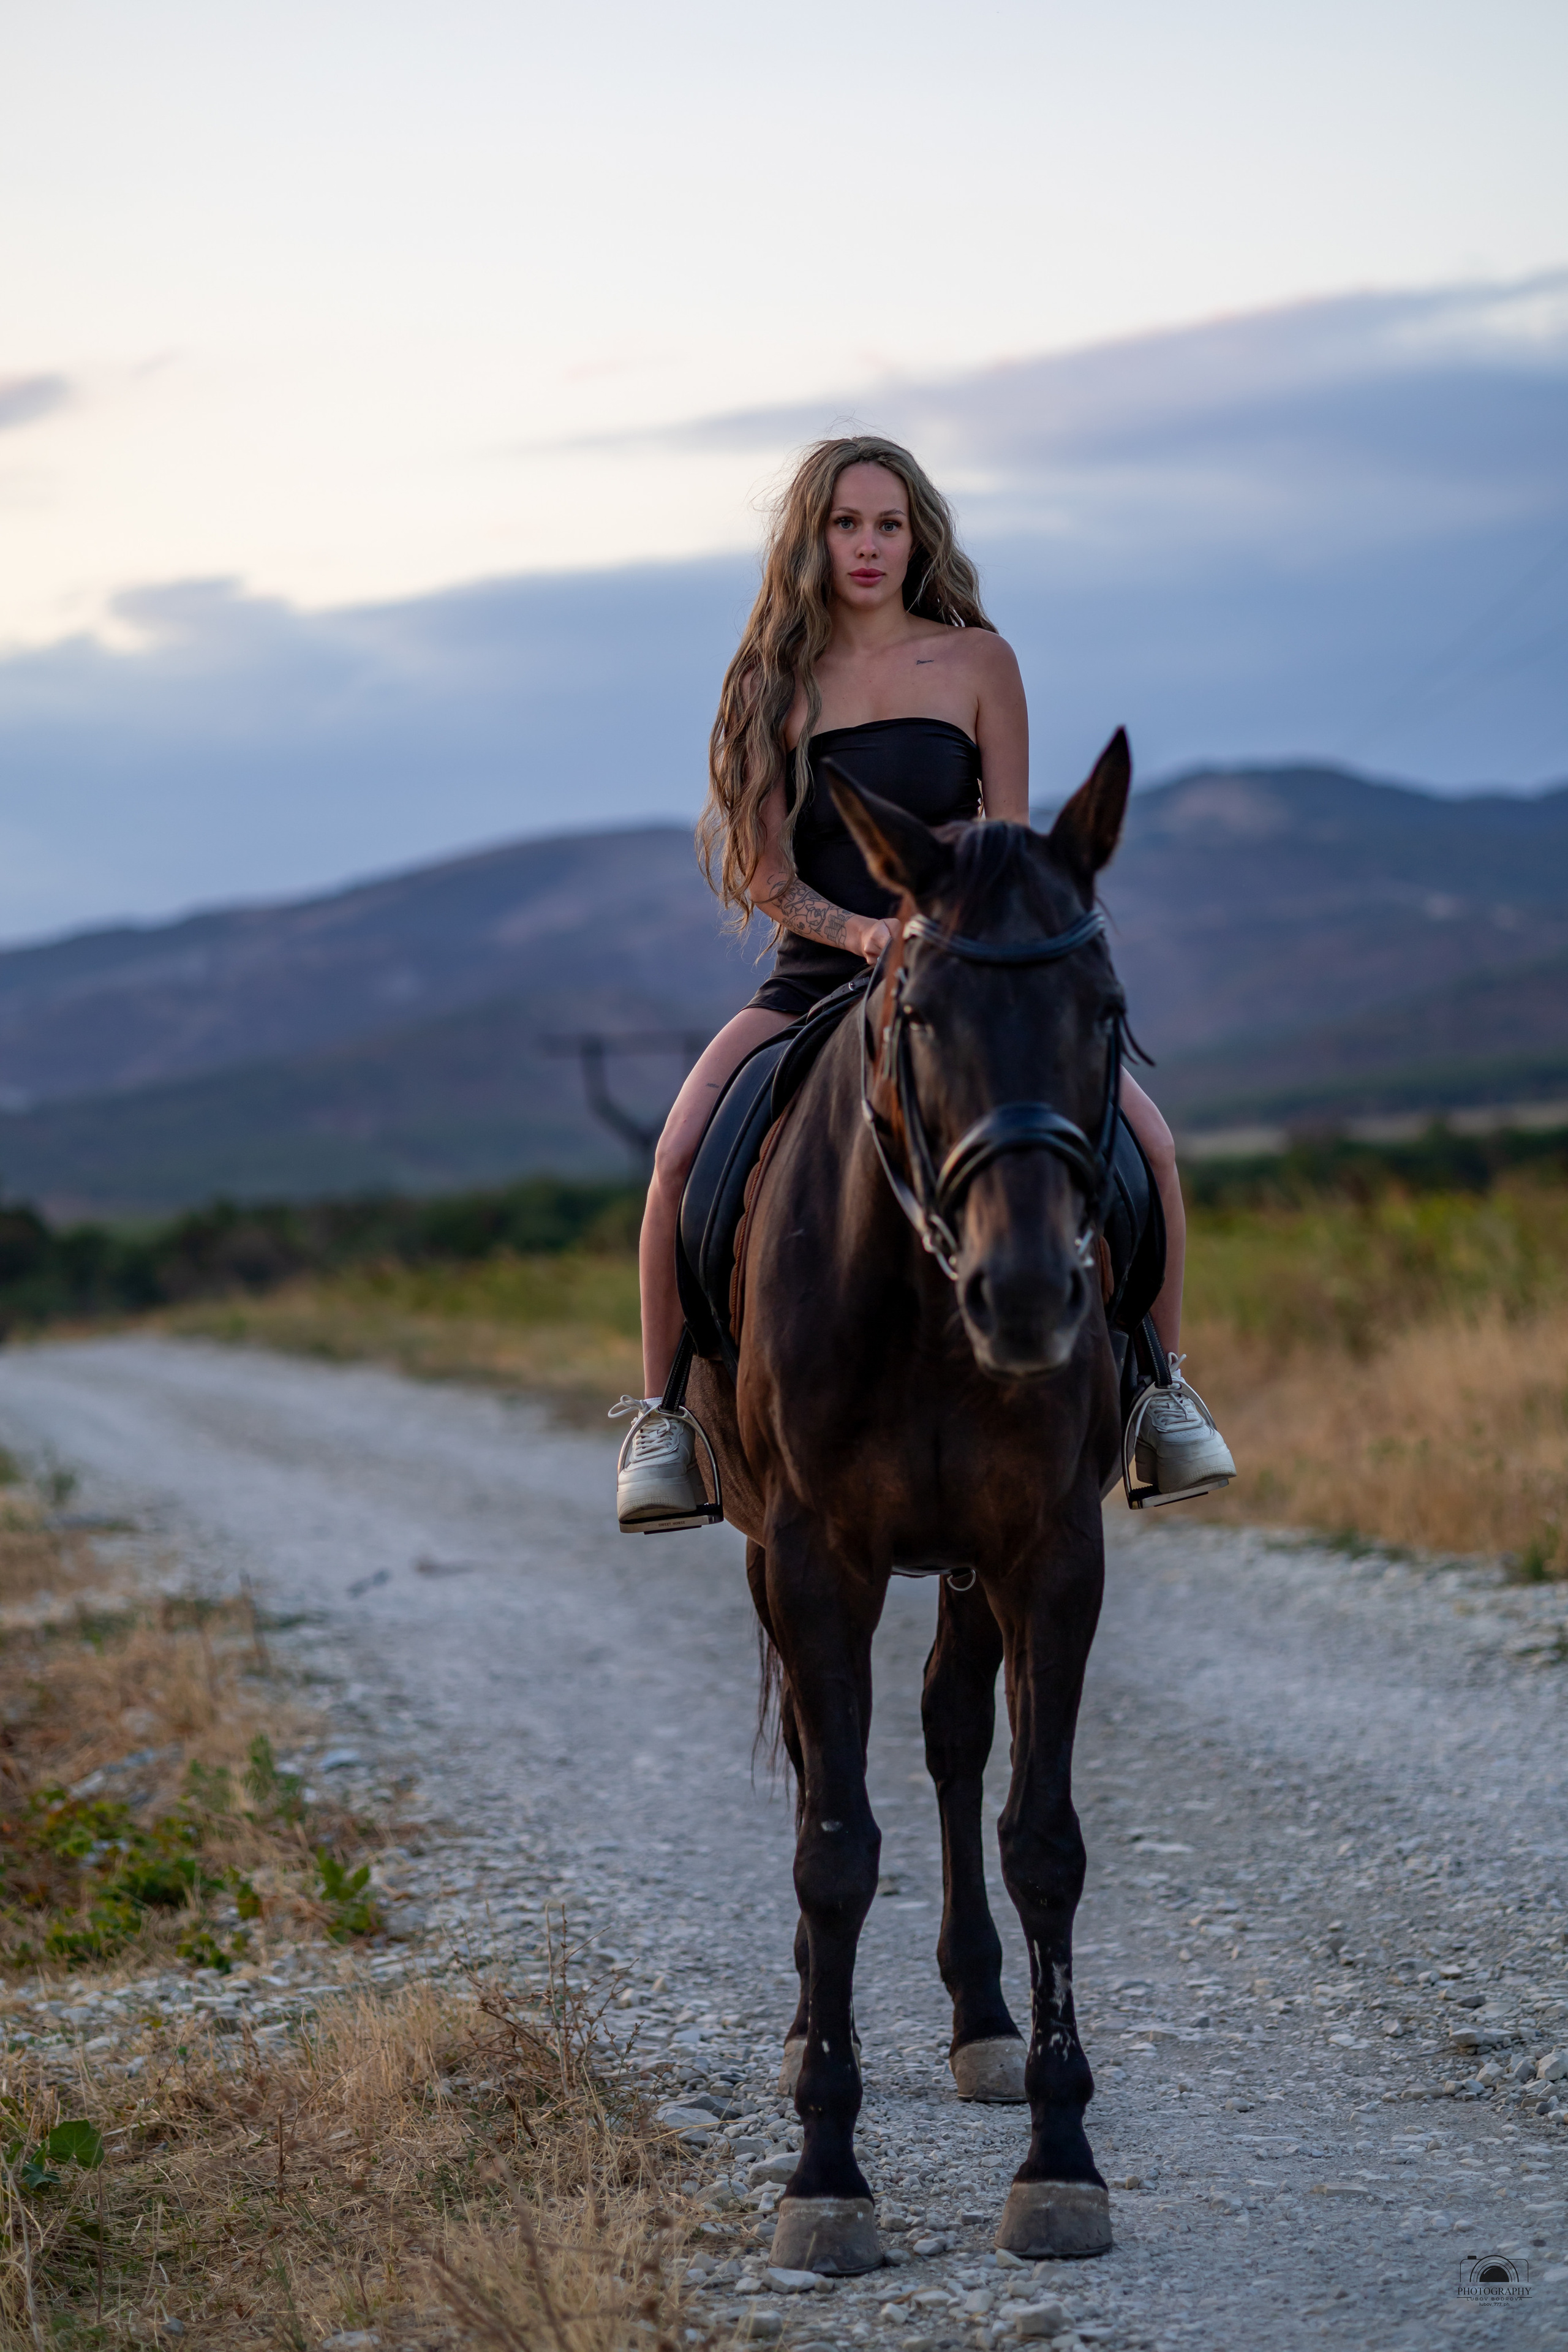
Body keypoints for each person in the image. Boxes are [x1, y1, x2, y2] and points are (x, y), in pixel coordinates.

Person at [615, 435, 1235, 1528]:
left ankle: (1159, 1394)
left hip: (965, 979)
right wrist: (863, 938)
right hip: (817, 980)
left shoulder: (980, 665)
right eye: (845, 525)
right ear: (811, 540)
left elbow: (1010, 843)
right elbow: (767, 876)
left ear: (918, 536)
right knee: (675, 1157)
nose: (867, 547)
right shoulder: (769, 684)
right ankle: (666, 1416)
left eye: (888, 525)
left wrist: (962, 947)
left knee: (1153, 1146)